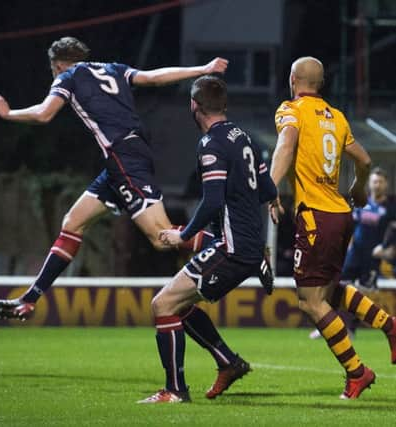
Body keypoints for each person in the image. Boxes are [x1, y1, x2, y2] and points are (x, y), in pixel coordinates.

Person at [0, 36, 231, 320]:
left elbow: (43, 114)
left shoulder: (68, 76)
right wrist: (202, 68)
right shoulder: (112, 68)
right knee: (73, 223)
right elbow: (153, 77)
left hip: (123, 158)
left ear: (57, 64)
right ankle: (29, 300)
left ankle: (233, 245)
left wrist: (8, 114)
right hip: (122, 159)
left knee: (161, 237)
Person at [137, 76, 277, 403]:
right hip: (241, 244)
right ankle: (228, 362)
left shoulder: (210, 143)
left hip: (232, 249)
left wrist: (182, 235)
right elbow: (268, 190)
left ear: (194, 106)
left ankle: (174, 391)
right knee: (179, 305)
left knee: (163, 305)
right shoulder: (245, 136)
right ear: (224, 104)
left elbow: (213, 201)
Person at [270, 56, 396, 399]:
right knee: (329, 289)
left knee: (311, 302)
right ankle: (390, 325)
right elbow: (366, 159)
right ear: (320, 83)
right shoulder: (336, 117)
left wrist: (270, 187)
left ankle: (357, 372)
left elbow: (286, 144)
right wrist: (357, 188)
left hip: (316, 216)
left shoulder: (290, 110)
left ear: (293, 79)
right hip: (341, 213)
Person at [309, 167, 396, 339]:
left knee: (362, 294)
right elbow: (348, 225)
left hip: (372, 258)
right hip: (354, 254)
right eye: (374, 181)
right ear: (369, 184)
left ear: (386, 184)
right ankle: (325, 326)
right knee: (336, 289)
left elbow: (393, 230)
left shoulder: (390, 208)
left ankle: (351, 329)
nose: (377, 185)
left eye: (380, 182)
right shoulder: (361, 202)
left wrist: (385, 248)